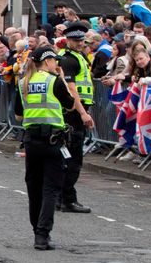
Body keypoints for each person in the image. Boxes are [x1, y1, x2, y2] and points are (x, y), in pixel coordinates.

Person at [15, 47, 75, 250]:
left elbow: (18, 115)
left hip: (32, 142)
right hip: (53, 141)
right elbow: (70, 105)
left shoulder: (23, 82)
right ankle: (42, 235)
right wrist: (62, 78)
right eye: (54, 60)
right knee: (50, 188)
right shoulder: (54, 81)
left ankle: (36, 231)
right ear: (47, 60)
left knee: (34, 188)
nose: (56, 64)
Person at [56, 22, 96, 213]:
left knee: (66, 156)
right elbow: (71, 89)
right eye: (75, 40)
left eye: (81, 40)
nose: (80, 43)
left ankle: (60, 197)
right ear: (67, 41)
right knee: (72, 158)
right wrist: (83, 113)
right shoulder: (69, 59)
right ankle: (67, 199)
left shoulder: (77, 57)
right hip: (72, 113)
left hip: (74, 111)